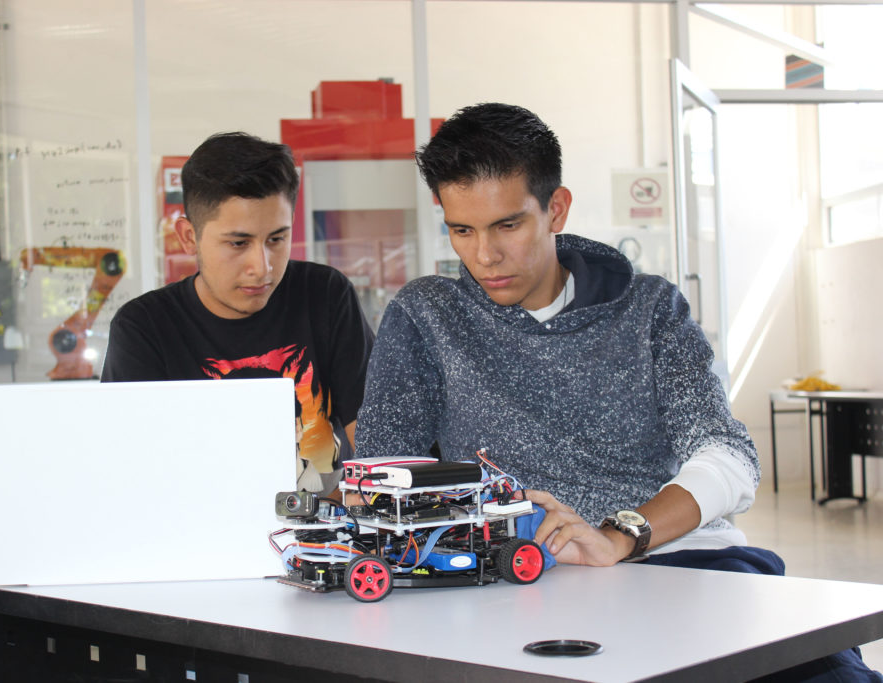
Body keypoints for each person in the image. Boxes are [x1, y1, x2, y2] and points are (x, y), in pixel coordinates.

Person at [354, 103, 879, 681]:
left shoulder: (649, 307)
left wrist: (622, 535)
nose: (485, 255)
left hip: (682, 562)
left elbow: (729, 455)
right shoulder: (427, 316)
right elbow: (381, 477)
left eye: (507, 225)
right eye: (462, 230)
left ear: (556, 208)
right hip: (516, 583)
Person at [102, 132, 374, 494]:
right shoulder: (144, 327)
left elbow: (377, 445)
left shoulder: (324, 294)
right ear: (188, 237)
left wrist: (363, 507)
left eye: (277, 239)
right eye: (238, 243)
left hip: (329, 524)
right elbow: (132, 474)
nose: (262, 267)